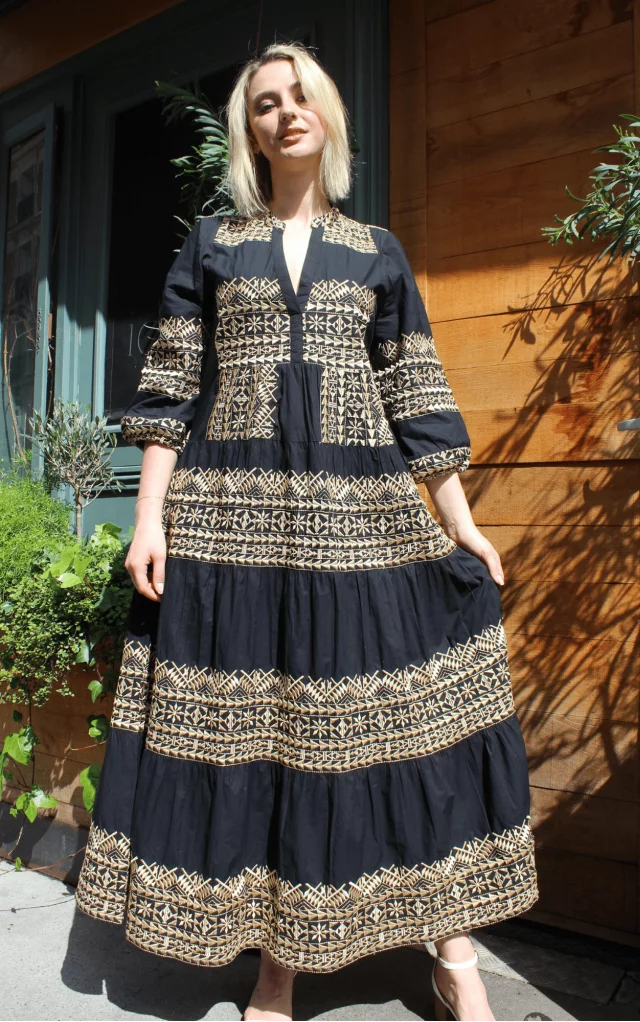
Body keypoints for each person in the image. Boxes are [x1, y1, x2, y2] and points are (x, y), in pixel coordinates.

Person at [75, 41, 538, 1022]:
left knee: (403, 729)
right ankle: (276, 968)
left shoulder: (374, 250)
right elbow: (170, 386)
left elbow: (415, 392)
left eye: (299, 97)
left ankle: (453, 951)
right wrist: (148, 517)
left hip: (356, 526)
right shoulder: (212, 245)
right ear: (249, 132)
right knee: (262, 743)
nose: (285, 113)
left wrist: (459, 524)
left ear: (325, 115)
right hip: (229, 531)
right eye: (265, 104)